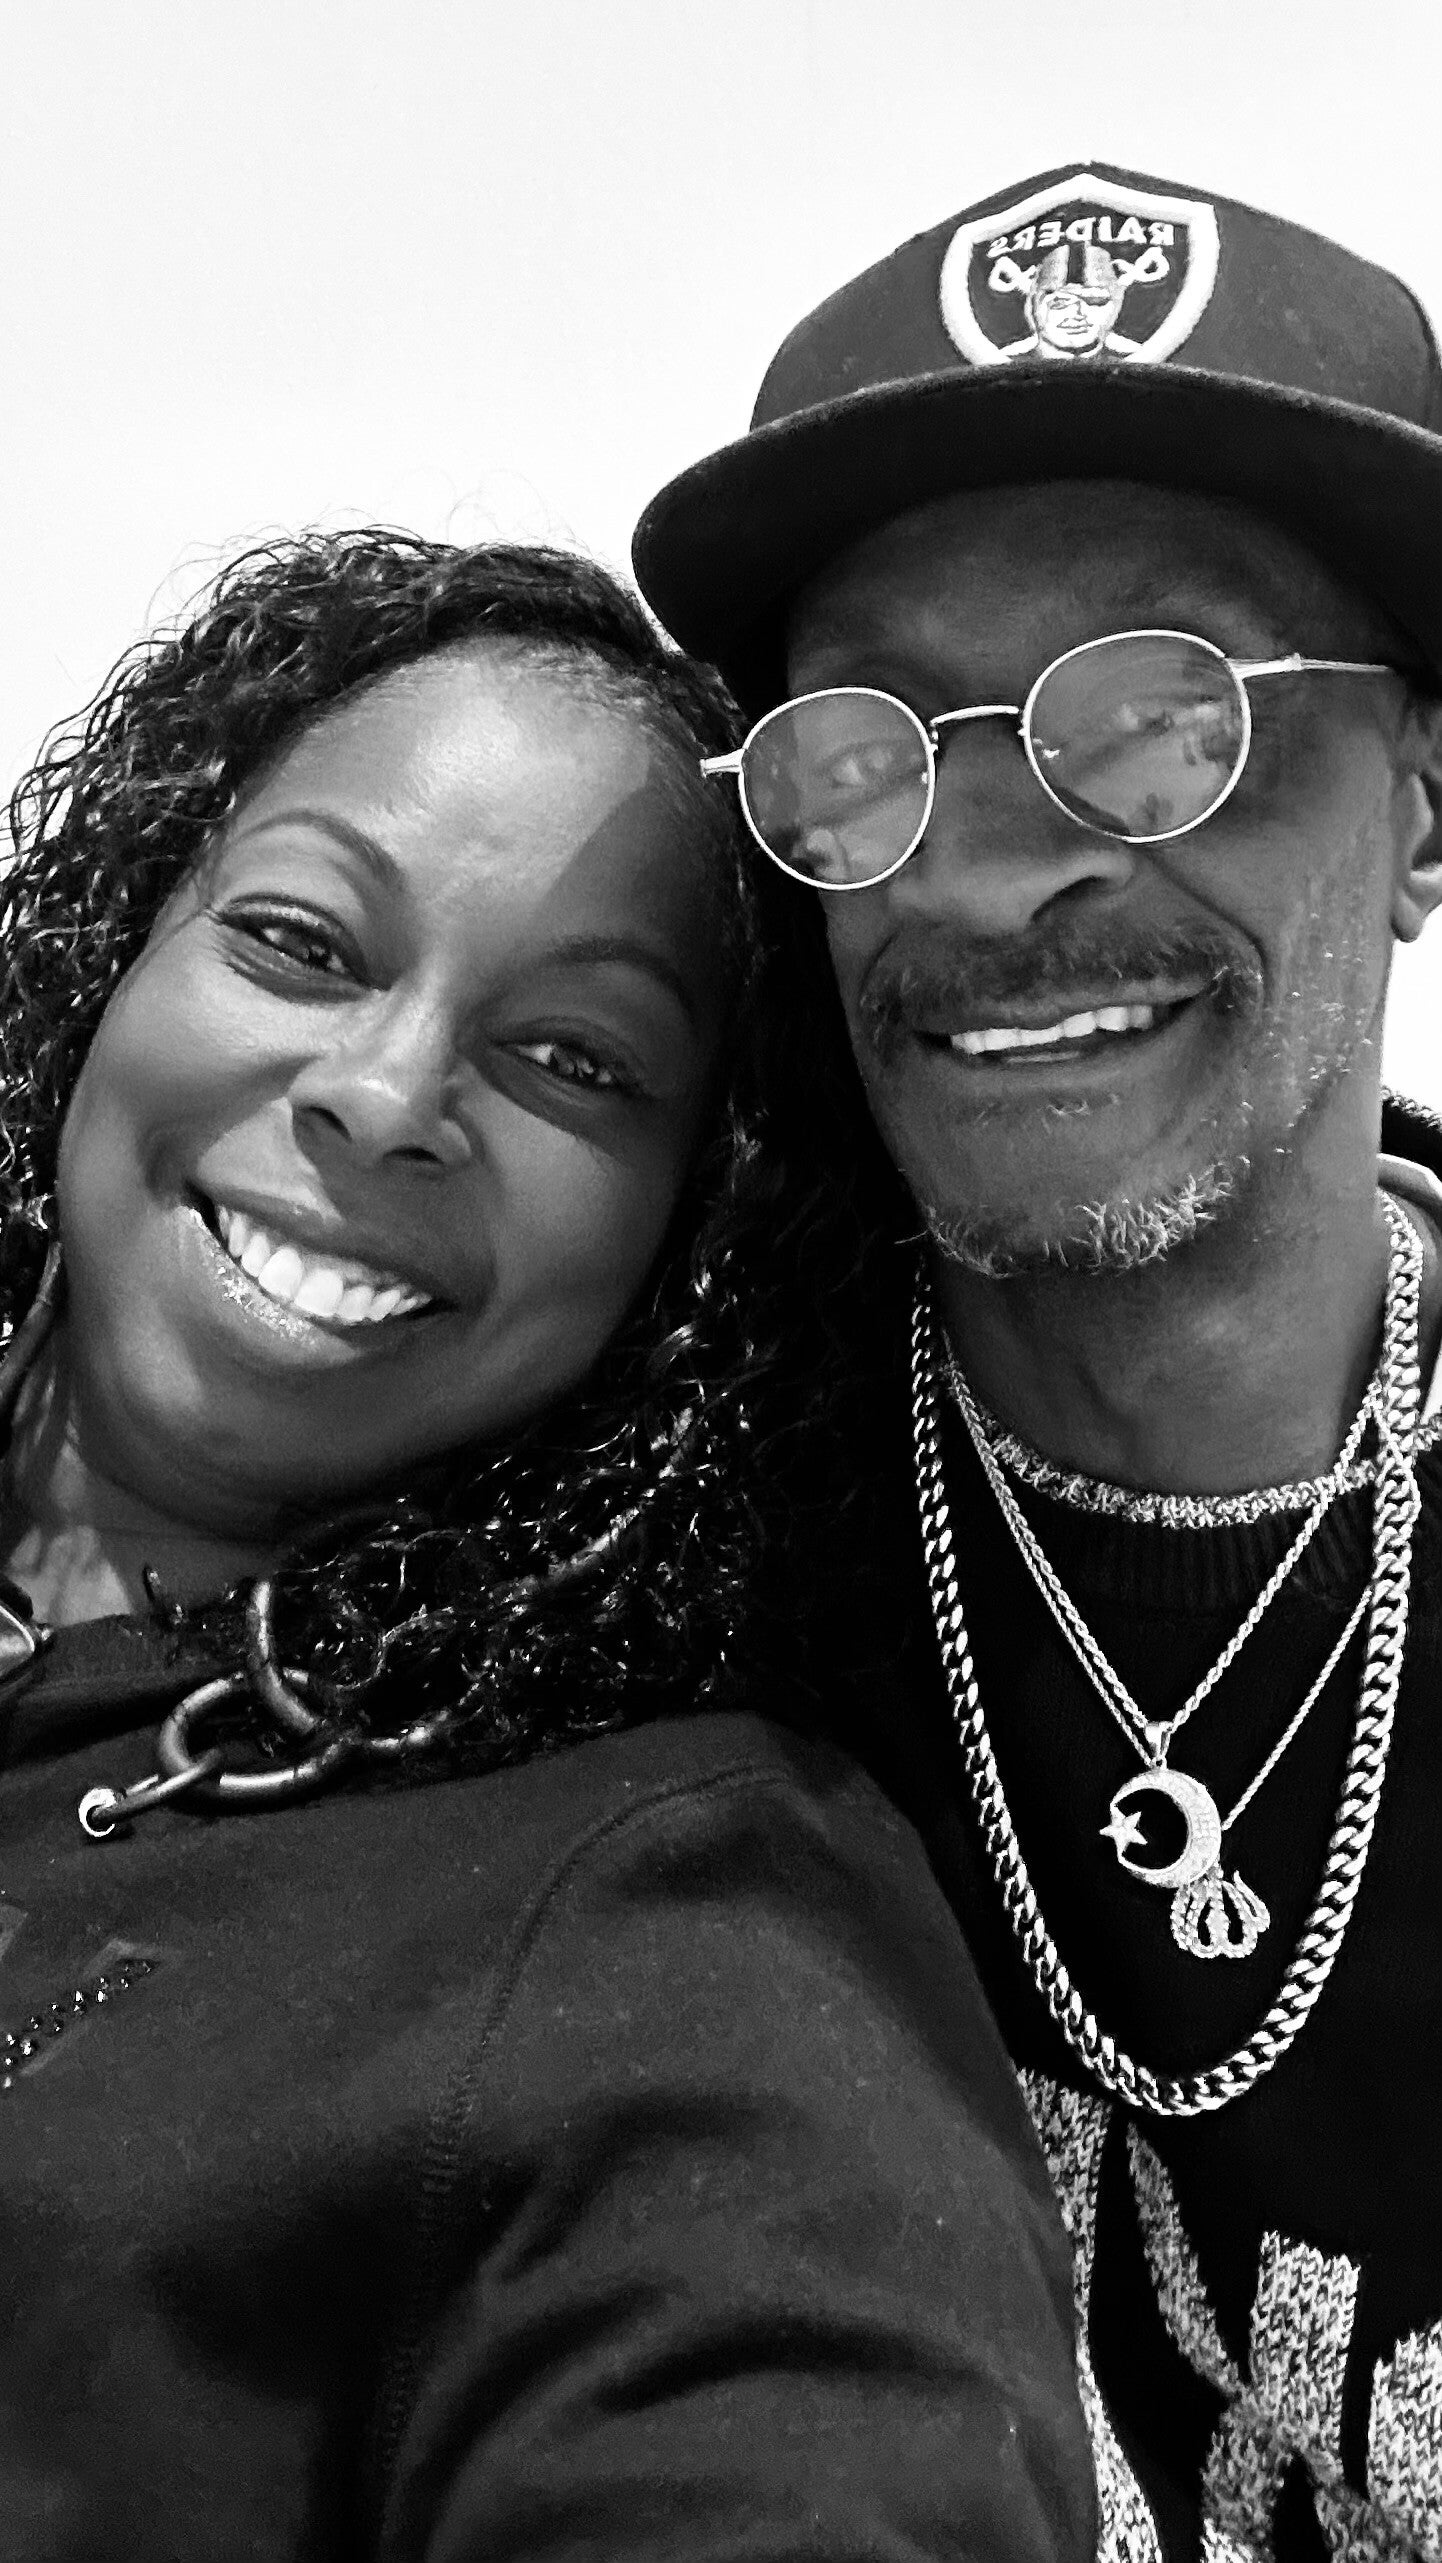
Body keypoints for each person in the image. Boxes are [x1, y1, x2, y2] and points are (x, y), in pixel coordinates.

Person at [0, 532, 1094, 2560]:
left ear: (693, 1236)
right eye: (301, 942)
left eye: (574, 1059)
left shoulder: (690, 1926)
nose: (384, 1095)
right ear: (115, 947)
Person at [634, 160, 1442, 2560]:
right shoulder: (633, 1548)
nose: (980, 872)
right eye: (864, 746)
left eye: (1161, 716)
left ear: (1425, 807)